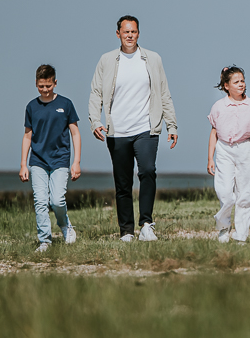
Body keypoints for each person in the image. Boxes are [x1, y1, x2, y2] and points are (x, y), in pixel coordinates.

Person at [89, 15, 178, 243]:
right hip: (117, 131)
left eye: (134, 31)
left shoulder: (153, 59)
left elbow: (164, 93)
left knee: (147, 171)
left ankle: (146, 224)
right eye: (126, 31)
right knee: (123, 182)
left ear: (139, 33)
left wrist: (172, 124)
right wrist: (95, 121)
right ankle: (126, 230)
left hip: (146, 128)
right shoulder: (107, 60)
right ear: (118, 33)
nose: (130, 35)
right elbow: (96, 93)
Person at [19, 64, 80, 252]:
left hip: (60, 160)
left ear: (55, 83)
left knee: (57, 200)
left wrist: (76, 162)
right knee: (40, 200)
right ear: (36, 84)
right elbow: (27, 136)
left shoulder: (66, 104)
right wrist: (23, 164)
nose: (45, 90)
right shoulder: (31, 107)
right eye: (41, 86)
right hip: (37, 161)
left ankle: (65, 225)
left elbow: (75, 133)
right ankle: (44, 240)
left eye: (48, 86)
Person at [207, 65, 250, 243]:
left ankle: (241, 234)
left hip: (244, 148)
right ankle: (223, 226)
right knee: (225, 192)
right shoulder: (219, 106)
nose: (241, 84)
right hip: (224, 149)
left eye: (242, 81)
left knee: (244, 194)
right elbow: (214, 132)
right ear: (226, 85)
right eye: (236, 82)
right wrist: (210, 158)